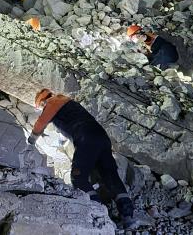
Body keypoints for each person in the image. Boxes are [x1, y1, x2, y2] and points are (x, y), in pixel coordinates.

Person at [28, 88, 137, 228]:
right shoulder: (68, 103)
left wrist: (30, 141)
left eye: (41, 106)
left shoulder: (53, 102)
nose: (43, 108)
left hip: (86, 139)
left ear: (43, 101)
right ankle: (128, 216)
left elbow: (41, 123)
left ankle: (96, 211)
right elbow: (70, 124)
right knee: (109, 174)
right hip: (102, 138)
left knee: (78, 177)